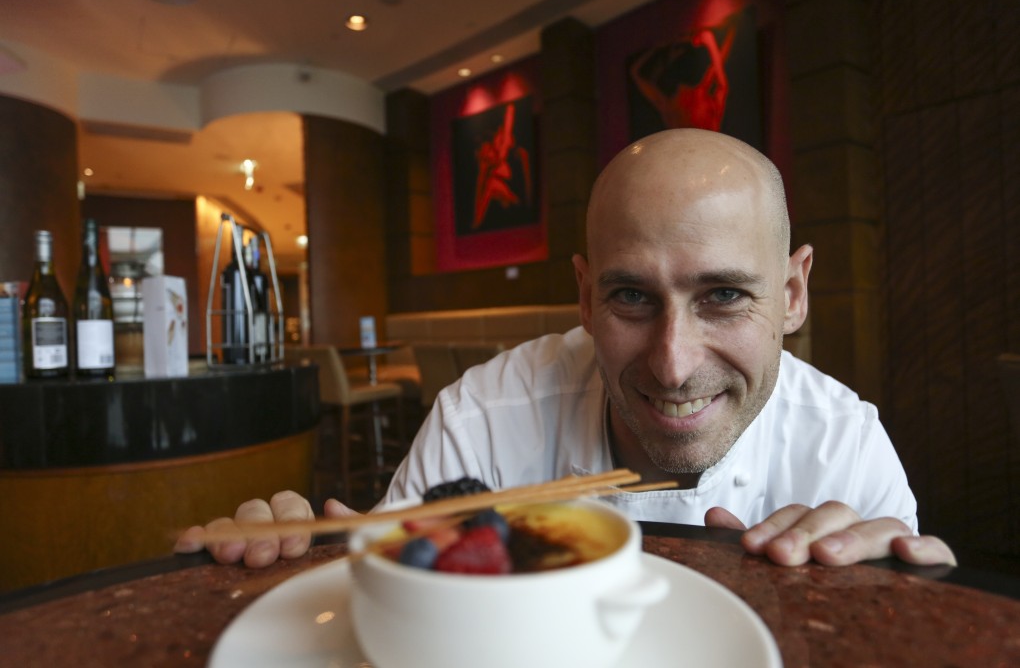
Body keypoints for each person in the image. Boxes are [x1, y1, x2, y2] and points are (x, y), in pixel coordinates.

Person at [176, 128, 956, 570]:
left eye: (723, 295)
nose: (673, 362)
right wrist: (288, 566)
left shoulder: (846, 445)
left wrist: (898, 597)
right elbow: (389, 594)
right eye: (630, 297)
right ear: (585, 296)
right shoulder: (482, 415)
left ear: (792, 295)